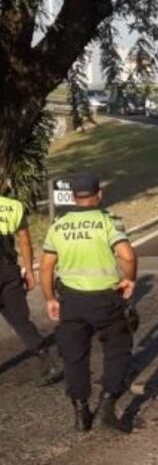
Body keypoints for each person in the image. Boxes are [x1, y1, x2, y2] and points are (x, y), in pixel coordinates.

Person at [39, 175, 137, 433]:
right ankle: (107, 404)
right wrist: (129, 279)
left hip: (70, 300)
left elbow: (47, 266)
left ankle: (81, 411)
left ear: (73, 197)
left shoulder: (58, 225)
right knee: (118, 348)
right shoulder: (108, 221)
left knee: (74, 356)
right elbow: (127, 255)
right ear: (99, 194)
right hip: (105, 299)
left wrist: (49, 298)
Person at [0, 186, 61, 386]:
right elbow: (25, 242)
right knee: (21, 320)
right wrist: (29, 270)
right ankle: (47, 361)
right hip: (8, 270)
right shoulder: (14, 207)